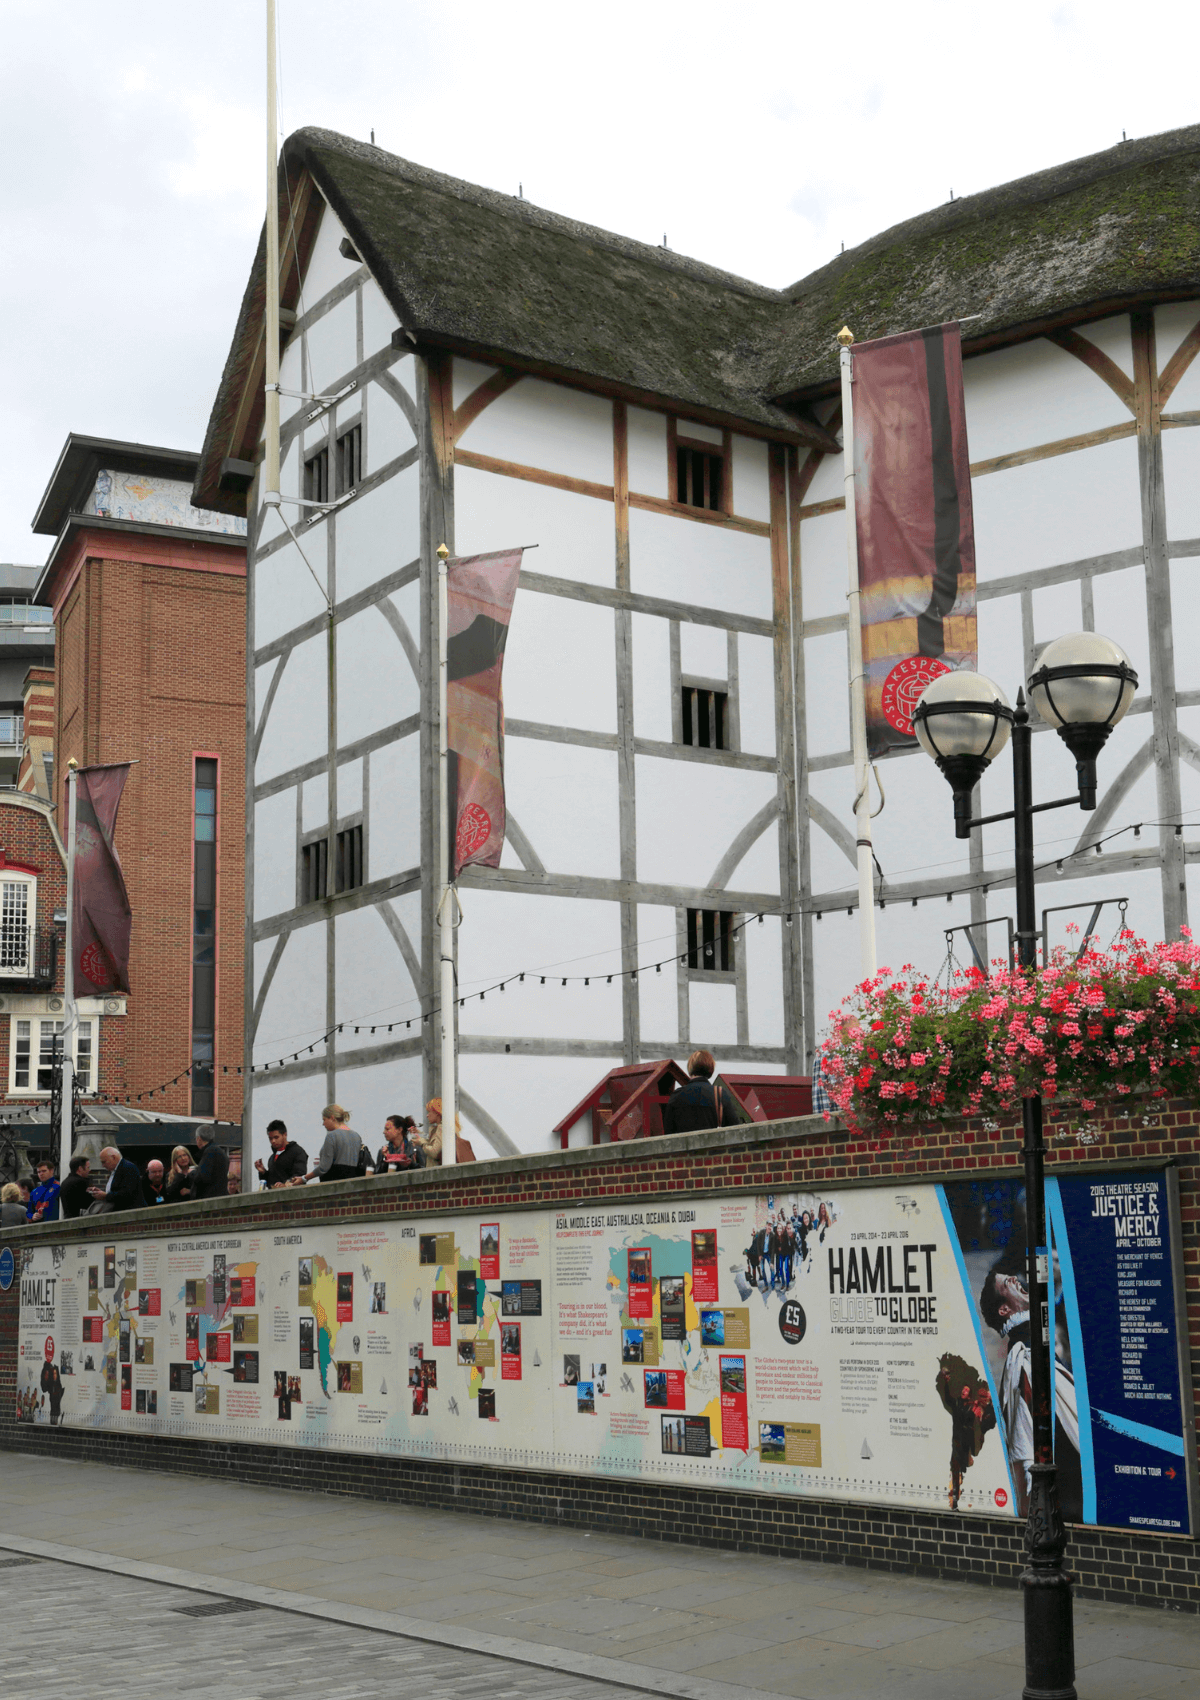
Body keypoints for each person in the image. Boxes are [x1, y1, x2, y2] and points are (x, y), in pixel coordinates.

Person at [979, 1262, 1082, 1522]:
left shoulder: (1031, 1344)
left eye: (1012, 1276)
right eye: (1007, 1283)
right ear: (1004, 1309)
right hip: (1070, 1496)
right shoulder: (1022, 1356)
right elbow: (1022, 1442)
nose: (1015, 1280)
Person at [660, 1051, 740, 1135]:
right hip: (713, 1146)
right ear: (711, 1068)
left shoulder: (676, 1095)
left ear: (690, 1067)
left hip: (686, 1147)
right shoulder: (719, 1094)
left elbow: (668, 1131)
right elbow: (735, 1129)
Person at [305, 1105, 365, 1182]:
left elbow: (324, 1167)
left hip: (333, 1182)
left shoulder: (332, 1136)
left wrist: (305, 1178)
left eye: (324, 1120)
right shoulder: (356, 1136)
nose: (323, 1124)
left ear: (332, 1118)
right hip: (352, 1182)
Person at [87, 1146, 143, 1212]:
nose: (103, 1165)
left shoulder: (128, 1168)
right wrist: (101, 1193)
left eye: (104, 1162)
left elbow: (127, 1194)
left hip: (130, 1213)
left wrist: (105, 1195)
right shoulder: (115, 1170)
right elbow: (116, 1191)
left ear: (113, 1157)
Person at [255, 1120, 308, 1189]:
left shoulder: (297, 1152)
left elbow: (299, 1176)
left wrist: (285, 1184)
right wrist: (263, 1172)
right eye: (270, 1138)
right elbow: (270, 1183)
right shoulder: (272, 1158)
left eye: (276, 1137)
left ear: (285, 1135)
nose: (273, 1141)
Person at [190, 1129, 230, 1199]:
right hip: (220, 1196)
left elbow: (203, 1177)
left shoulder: (209, 1151)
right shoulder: (220, 1151)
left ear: (199, 1138)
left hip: (210, 1198)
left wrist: (192, 1172)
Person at [60, 1154, 93, 1219]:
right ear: (80, 1168)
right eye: (88, 1167)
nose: (89, 1170)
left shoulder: (64, 1182)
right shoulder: (82, 1182)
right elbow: (91, 1203)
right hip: (81, 1220)